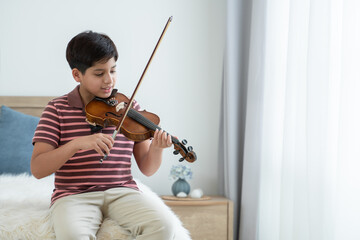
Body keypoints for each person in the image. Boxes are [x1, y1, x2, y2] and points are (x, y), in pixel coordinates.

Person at [31, 30, 175, 240]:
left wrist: (157, 149)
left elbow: (147, 167)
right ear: (77, 75)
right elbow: (38, 169)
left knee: (165, 226)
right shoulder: (56, 109)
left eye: (113, 70)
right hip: (73, 195)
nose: (109, 80)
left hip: (122, 191)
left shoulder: (129, 107)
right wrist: (76, 144)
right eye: (99, 74)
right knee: (72, 235)